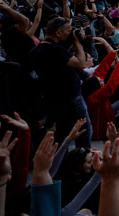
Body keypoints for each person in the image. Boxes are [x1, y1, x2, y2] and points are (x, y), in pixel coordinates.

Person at [32, 16, 91, 147]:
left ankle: (62, 161)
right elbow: (81, 64)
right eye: (68, 31)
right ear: (58, 32)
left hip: (54, 98)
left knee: (64, 132)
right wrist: (78, 43)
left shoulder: (38, 49)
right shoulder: (56, 50)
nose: (70, 33)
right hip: (71, 97)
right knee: (84, 131)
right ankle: (83, 158)